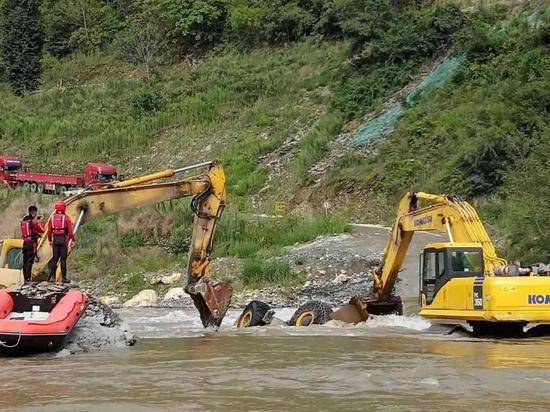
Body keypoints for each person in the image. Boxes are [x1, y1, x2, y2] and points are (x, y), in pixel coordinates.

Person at [47, 201, 75, 283]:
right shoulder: (66, 218)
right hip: (63, 239)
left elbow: (49, 231)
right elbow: (70, 231)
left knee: (55, 258)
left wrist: (50, 240)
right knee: (63, 259)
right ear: (64, 208)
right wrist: (73, 239)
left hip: (55, 239)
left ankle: (52, 277)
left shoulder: (52, 218)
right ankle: (64, 278)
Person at [20, 205, 45, 282]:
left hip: (25, 243)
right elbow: (42, 230)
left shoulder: (23, 221)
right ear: (33, 212)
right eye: (35, 212)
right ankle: (28, 279)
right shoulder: (33, 222)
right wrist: (40, 221)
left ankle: (25, 278)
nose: (35, 213)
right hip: (31, 243)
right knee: (29, 262)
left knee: (25, 261)